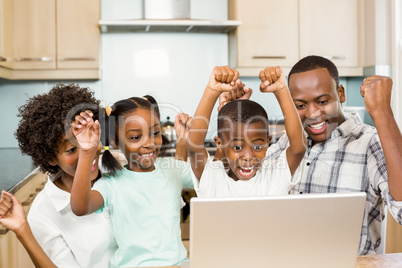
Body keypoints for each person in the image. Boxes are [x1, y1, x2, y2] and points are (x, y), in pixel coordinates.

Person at [267, 55, 402, 255]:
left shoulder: (370, 142)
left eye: (322, 101)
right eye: (301, 106)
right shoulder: (290, 142)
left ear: (340, 94)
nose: (312, 114)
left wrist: (382, 112)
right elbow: (250, 190)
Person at [0, 84, 118, 267]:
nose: (86, 152)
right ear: (51, 158)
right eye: (72, 149)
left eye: (88, 138)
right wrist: (23, 231)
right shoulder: (43, 213)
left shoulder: (118, 170)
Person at [69, 96, 194, 268]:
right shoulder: (111, 184)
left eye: (155, 133)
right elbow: (80, 207)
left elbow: (209, 179)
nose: (149, 143)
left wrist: (187, 139)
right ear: (114, 141)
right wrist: (86, 151)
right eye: (135, 137)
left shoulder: (171, 170)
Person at [187, 65, 306, 197]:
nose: (248, 156)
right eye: (237, 147)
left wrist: (282, 90)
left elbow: (298, 148)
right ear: (219, 144)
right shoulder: (214, 179)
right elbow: (194, 146)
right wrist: (211, 91)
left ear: (267, 142)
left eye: (257, 146)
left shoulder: (274, 176)